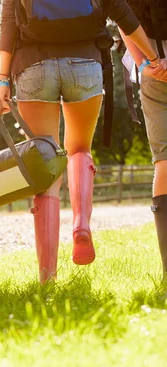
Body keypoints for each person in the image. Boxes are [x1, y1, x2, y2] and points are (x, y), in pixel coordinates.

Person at [0, 0, 166, 283]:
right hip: (85, 64)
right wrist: (151, 59)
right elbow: (121, 12)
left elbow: (8, 22)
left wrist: (2, 79)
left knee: (45, 161)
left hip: (32, 65)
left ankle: (47, 276)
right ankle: (81, 224)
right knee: (78, 149)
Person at [121, 0, 167, 283]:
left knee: (164, 159)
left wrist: (142, 63)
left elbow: (122, 17)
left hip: (153, 69)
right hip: (154, 69)